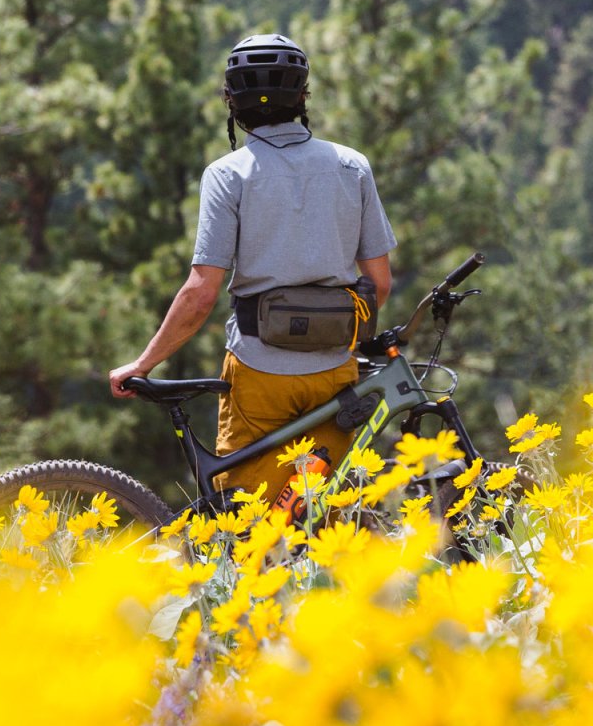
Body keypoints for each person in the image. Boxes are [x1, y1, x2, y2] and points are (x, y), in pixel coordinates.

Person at [109, 33, 396, 498]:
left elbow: (201, 293)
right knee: (319, 509)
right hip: (334, 369)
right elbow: (378, 283)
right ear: (302, 95)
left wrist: (144, 363)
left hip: (259, 367)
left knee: (246, 515)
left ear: (232, 101)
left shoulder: (228, 174)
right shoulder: (352, 166)